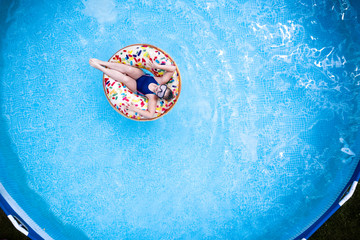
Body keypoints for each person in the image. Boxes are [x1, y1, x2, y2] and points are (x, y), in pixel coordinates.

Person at [89, 58, 176, 119]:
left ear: (159, 96)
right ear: (165, 85)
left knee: (125, 79)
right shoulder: (161, 80)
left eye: (160, 93)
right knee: (129, 69)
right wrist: (158, 66)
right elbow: (173, 69)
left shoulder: (152, 98)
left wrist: (135, 109)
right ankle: (103, 63)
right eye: (163, 88)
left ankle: (99, 67)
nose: (159, 89)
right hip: (141, 75)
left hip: (136, 87)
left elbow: (150, 115)